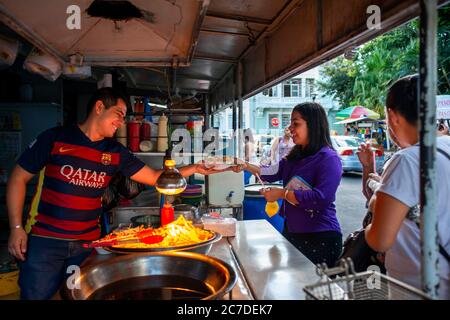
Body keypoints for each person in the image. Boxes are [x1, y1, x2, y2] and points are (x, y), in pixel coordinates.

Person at [7, 87, 225, 300]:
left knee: (75, 295)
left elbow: (155, 178)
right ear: (99, 107)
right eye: (119, 114)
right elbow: (18, 177)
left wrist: (194, 168)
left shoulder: (115, 152)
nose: (121, 122)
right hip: (46, 242)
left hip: (86, 245)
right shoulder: (54, 138)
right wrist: (16, 227)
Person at [364, 75, 450, 299]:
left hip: (420, 288)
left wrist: (374, 210)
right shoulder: (445, 147)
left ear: (392, 116)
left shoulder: (407, 160)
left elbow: (379, 239)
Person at [233, 102, 343, 267]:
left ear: (313, 125)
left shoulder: (328, 158)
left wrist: (281, 194)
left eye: (296, 123)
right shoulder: (295, 156)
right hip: (292, 231)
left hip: (320, 237)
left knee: (315, 290)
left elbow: (321, 199)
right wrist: (245, 165)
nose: (290, 128)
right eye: (291, 123)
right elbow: (271, 172)